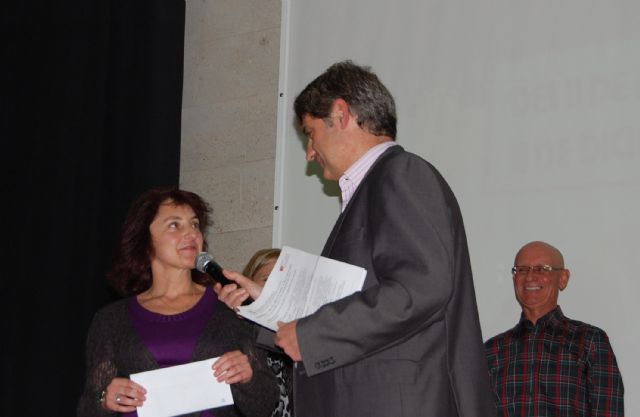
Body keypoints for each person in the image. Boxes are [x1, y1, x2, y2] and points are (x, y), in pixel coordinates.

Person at [218, 60, 495, 417]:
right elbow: (356, 302)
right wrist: (266, 304)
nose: (310, 152)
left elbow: (420, 288)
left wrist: (313, 335)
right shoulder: (375, 187)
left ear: (340, 113)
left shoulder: (401, 173)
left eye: (310, 133)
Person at [76, 187, 277, 417]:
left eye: (195, 224)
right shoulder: (112, 320)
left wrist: (248, 378)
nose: (191, 233)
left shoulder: (229, 308)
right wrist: (104, 400)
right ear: (145, 240)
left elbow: (264, 405)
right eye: (174, 225)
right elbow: (87, 408)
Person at [484, 241, 624, 417]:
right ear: (514, 279)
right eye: (522, 269)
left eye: (542, 269)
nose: (530, 277)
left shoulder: (590, 342)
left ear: (563, 278)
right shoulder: (492, 351)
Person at [241, 248, 293, 417]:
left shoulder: (303, 329)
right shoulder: (239, 327)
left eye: (284, 280)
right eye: (267, 279)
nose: (276, 286)